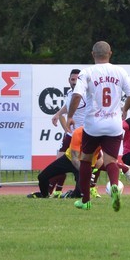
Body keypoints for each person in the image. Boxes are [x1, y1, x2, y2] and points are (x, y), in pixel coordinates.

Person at [66, 41, 130, 212]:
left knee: (86, 160)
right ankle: (114, 186)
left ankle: (85, 201)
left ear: (92, 54)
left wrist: (70, 116)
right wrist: (124, 110)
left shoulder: (87, 72)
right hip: (114, 124)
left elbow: (77, 95)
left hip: (93, 125)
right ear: (110, 53)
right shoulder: (120, 71)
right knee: (111, 161)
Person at [46, 68, 82, 196]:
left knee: (94, 163)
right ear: (69, 80)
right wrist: (58, 114)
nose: (74, 82)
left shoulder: (84, 93)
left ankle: (84, 190)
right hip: (71, 135)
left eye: (77, 79)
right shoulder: (70, 93)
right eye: (73, 79)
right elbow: (68, 106)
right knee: (59, 162)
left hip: (84, 135)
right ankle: (53, 191)